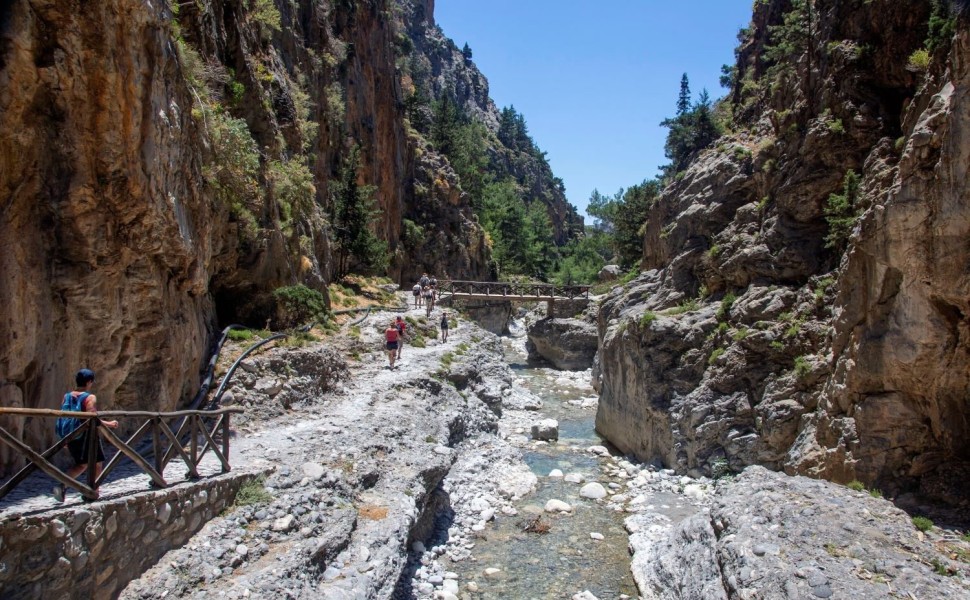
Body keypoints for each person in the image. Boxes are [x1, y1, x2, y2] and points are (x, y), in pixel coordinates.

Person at [53, 369, 119, 502]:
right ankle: (92, 491)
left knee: (82, 464)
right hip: (86, 437)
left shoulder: (67, 396)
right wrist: (110, 424)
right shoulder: (90, 397)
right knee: (97, 464)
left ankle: (63, 485)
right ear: (89, 382)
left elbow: (64, 416)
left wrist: (65, 439)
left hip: (71, 435)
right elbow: (92, 418)